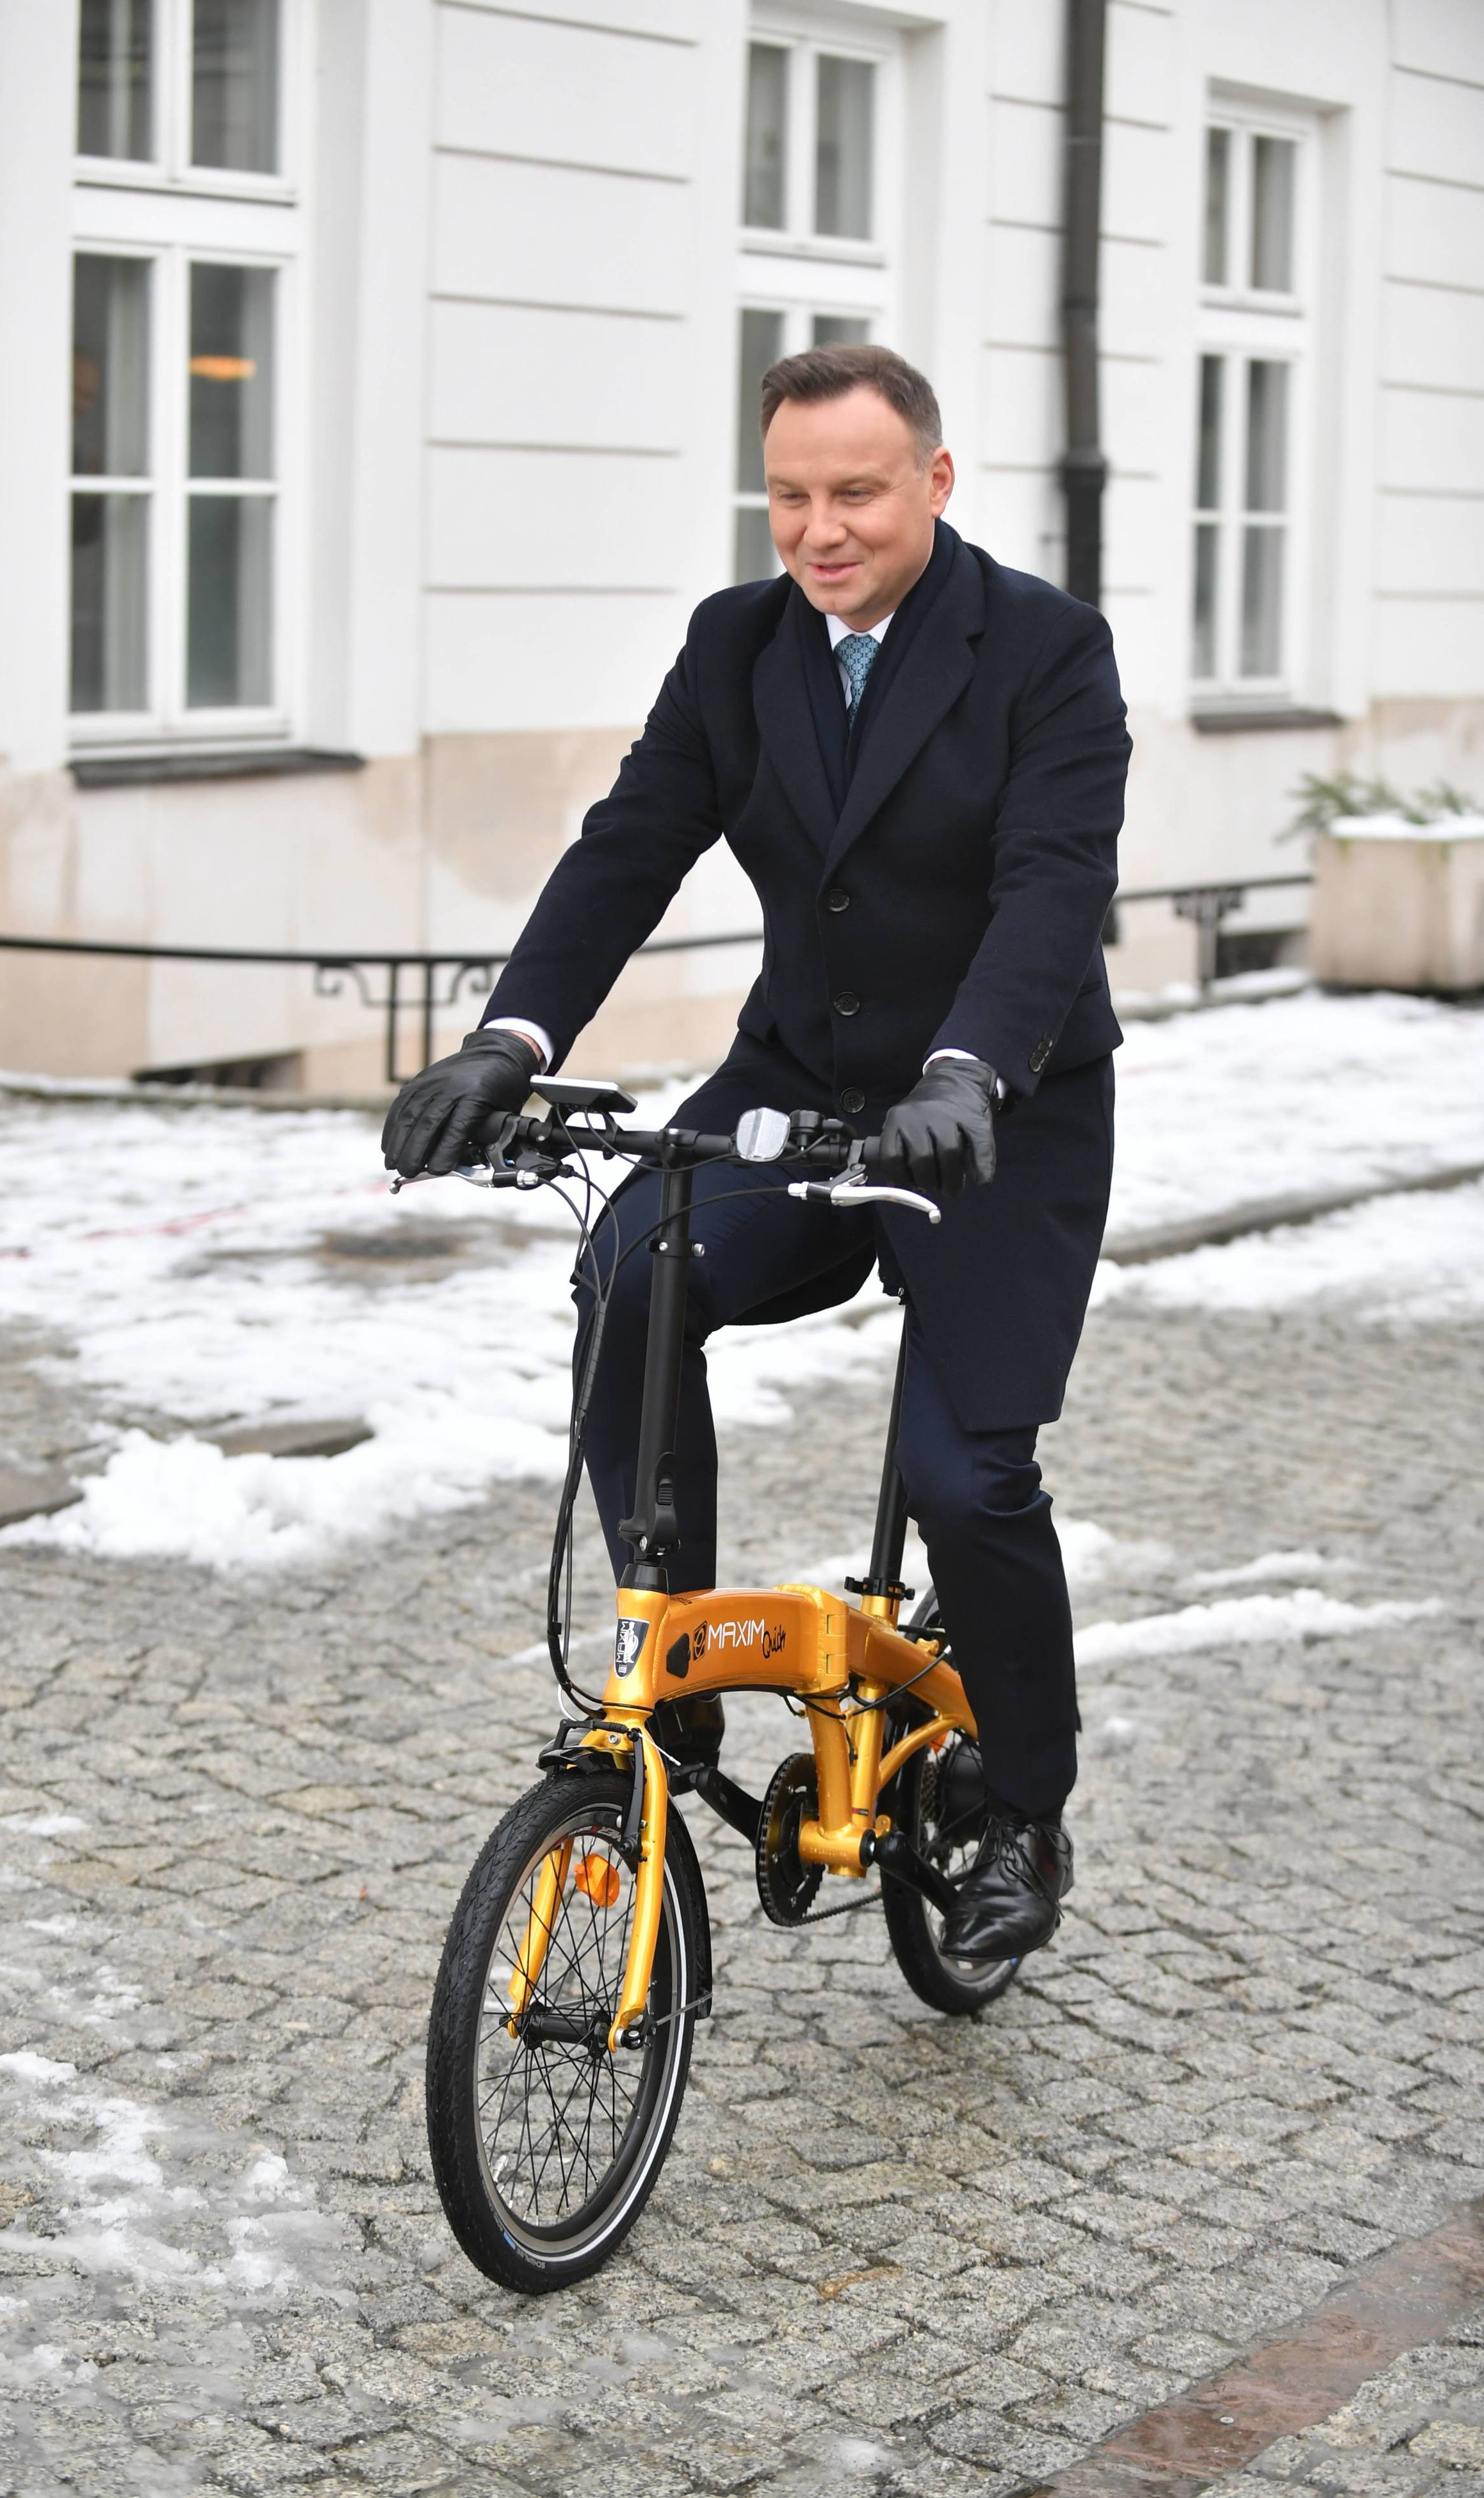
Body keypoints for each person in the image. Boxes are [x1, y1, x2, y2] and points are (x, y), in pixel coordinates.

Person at [383, 344, 1127, 1960]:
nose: (818, 529)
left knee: (966, 1474)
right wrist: (508, 1042)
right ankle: (679, 1690)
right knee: (628, 1276)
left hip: (998, 1108)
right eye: (789, 495)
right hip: (795, 1081)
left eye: (854, 491)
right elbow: (634, 840)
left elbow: (1053, 887)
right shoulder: (737, 645)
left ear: (933, 480)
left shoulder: (1046, 651)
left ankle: (1022, 1809)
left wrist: (966, 1067)